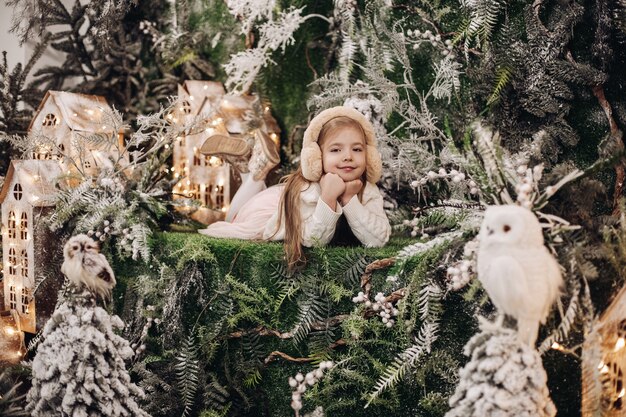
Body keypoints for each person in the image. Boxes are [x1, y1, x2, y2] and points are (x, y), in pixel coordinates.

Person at [199, 106, 391, 270]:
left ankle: (252, 169)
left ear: (369, 155)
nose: (348, 156)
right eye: (335, 150)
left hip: (279, 197)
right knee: (233, 219)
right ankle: (254, 176)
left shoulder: (367, 189)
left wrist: (350, 200)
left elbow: (378, 239)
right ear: (316, 157)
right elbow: (314, 240)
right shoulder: (306, 191)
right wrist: (328, 198)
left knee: (235, 215)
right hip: (272, 206)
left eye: (357, 149)